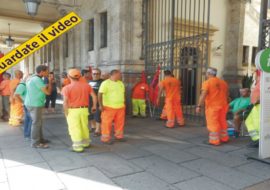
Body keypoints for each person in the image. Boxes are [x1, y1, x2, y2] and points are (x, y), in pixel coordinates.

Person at [62, 69, 97, 152]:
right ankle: (86, 143)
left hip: (73, 111)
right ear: (80, 76)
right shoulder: (86, 85)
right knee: (84, 126)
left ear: (69, 77)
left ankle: (78, 147)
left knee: (75, 128)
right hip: (84, 109)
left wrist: (66, 112)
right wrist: (94, 106)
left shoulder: (67, 88)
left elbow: (65, 102)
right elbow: (94, 96)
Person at [196, 67, 229, 146]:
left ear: (209, 73)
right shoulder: (223, 83)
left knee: (213, 123)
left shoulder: (207, 82)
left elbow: (203, 95)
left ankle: (214, 140)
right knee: (222, 121)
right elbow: (227, 95)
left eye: (206, 73)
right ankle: (224, 138)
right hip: (223, 106)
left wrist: (199, 106)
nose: (206, 75)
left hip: (213, 107)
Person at [25, 65, 52, 149]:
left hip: (32, 103)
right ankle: (35, 142)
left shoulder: (32, 77)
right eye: (47, 71)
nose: (48, 73)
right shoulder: (37, 80)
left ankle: (40, 139)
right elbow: (48, 93)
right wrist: (50, 82)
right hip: (35, 104)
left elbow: (38, 88)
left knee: (38, 122)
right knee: (36, 123)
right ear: (42, 71)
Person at [98, 69, 126, 144]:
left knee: (120, 123)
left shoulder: (121, 83)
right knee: (106, 123)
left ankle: (119, 136)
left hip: (120, 107)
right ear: (114, 74)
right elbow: (99, 94)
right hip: (108, 107)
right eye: (119, 74)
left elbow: (122, 94)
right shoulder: (105, 83)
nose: (121, 76)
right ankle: (105, 139)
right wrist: (101, 105)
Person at [245, 70, 261, 148]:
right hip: (254, 105)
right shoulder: (258, 83)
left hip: (259, 105)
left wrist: (259, 101)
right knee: (249, 121)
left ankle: (259, 141)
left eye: (256, 74)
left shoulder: (264, 82)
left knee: (257, 124)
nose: (255, 76)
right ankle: (256, 139)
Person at [14, 74, 32, 139]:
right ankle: (28, 135)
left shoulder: (27, 85)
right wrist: (23, 102)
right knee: (30, 120)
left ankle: (27, 134)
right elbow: (16, 95)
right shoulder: (22, 85)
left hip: (28, 104)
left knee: (28, 119)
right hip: (27, 104)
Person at [89, 68, 103, 136]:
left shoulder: (103, 82)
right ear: (92, 74)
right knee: (90, 116)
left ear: (100, 74)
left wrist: (101, 104)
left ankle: (98, 130)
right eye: (94, 73)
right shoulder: (88, 82)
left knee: (98, 116)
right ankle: (93, 127)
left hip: (98, 102)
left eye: (97, 74)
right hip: (89, 101)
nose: (95, 75)